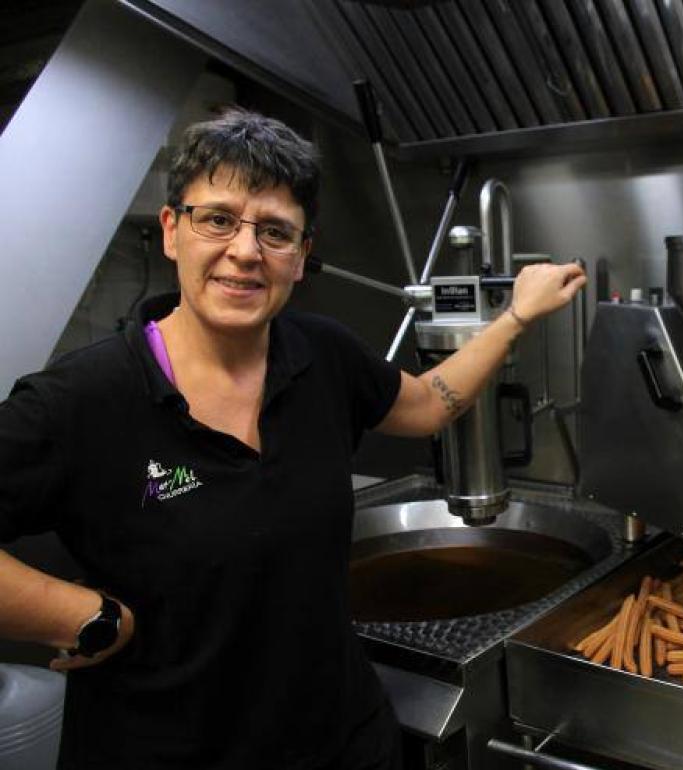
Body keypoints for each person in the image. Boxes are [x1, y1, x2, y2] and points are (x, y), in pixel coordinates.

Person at [0, 108, 585, 769]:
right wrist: (76, 614)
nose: (246, 251)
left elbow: (425, 404)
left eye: (276, 231)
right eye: (217, 218)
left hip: (340, 741)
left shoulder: (322, 355)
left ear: (302, 257)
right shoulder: (87, 397)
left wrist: (517, 316)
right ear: (172, 231)